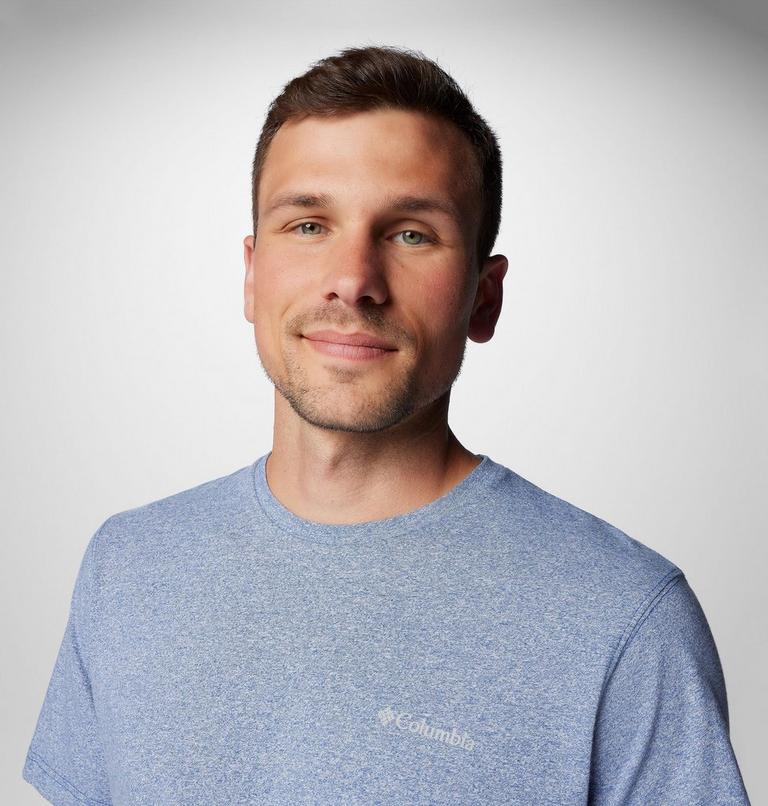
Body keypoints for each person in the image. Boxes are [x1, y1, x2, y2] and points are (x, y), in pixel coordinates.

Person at [22, 45, 750, 805]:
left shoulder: (624, 620)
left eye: (410, 234)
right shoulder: (128, 569)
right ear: (251, 273)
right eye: (309, 225)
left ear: (484, 297)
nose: (353, 281)